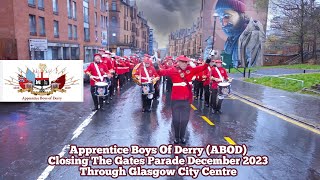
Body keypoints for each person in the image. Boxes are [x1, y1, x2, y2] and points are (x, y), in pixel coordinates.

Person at [154, 55, 211, 144]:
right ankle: (176, 137)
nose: (184, 64)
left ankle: (182, 136)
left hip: (186, 100)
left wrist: (208, 60)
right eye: (182, 62)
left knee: (185, 120)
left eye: (185, 62)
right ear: (178, 62)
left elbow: (203, 67)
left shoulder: (191, 70)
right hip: (176, 100)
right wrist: (156, 66)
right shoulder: (173, 70)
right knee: (176, 120)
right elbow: (161, 73)